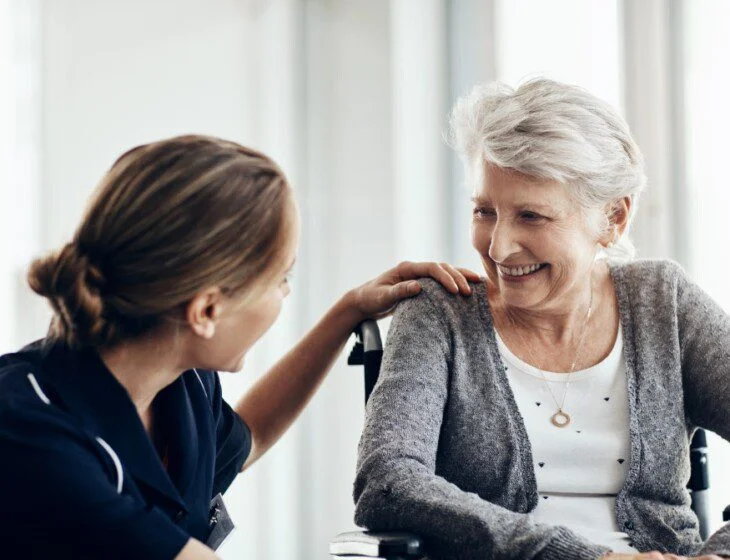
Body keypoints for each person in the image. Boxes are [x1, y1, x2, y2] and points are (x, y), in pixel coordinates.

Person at [0, 135, 480, 560]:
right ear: (206, 311)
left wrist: (348, 313)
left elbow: (248, 438)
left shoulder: (181, 381)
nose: (286, 295)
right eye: (281, 278)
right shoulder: (28, 429)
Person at [353, 78, 730, 560]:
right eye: (484, 211)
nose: (497, 246)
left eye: (531, 216)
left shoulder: (664, 303)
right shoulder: (438, 314)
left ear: (614, 217)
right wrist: (589, 558)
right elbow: (387, 482)